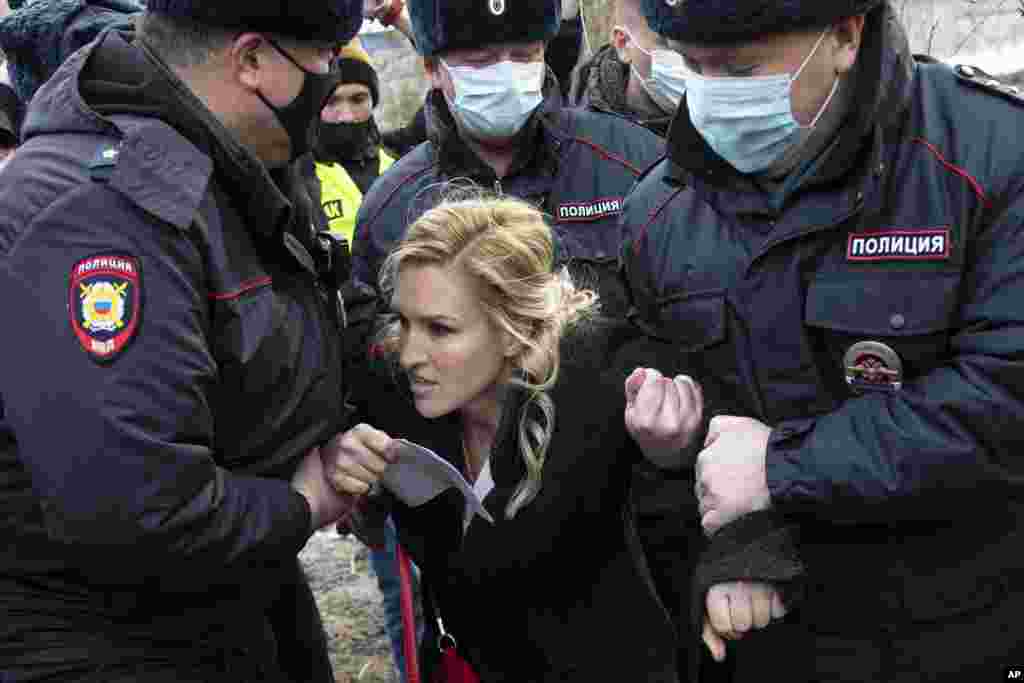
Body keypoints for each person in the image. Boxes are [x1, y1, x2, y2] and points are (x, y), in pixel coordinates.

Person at [621, 0, 1024, 680]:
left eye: (741, 68)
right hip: (772, 640)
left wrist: (783, 465)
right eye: (695, 67)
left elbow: (1006, 401)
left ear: (843, 36)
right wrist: (671, 443)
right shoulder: (660, 212)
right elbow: (672, 469)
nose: (713, 95)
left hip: (969, 632)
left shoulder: (986, 160)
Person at [0, 0, 367, 680]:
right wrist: (302, 501)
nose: (330, 79)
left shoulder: (236, 158)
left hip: (235, 604)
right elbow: (138, 508)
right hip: (110, 645)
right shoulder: (101, 210)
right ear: (251, 59)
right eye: (321, 59)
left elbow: (299, 320)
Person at [333, 195, 688, 681]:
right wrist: (356, 479)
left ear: (512, 326)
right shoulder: (395, 396)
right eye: (405, 321)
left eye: (440, 329)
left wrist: (672, 456)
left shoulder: (607, 393)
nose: (410, 352)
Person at [351, 0, 665, 320]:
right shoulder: (391, 207)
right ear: (432, 69)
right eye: (479, 61)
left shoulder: (635, 164)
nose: (505, 75)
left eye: (523, 56)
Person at [315, 39, 395, 246]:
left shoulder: (399, 157)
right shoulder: (295, 174)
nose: (346, 116)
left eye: (358, 100)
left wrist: (396, 16)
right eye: (331, 101)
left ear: (373, 101)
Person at [568, 0, 680, 137]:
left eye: (699, 40)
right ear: (623, 44)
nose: (690, 60)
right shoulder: (576, 136)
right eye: (666, 44)